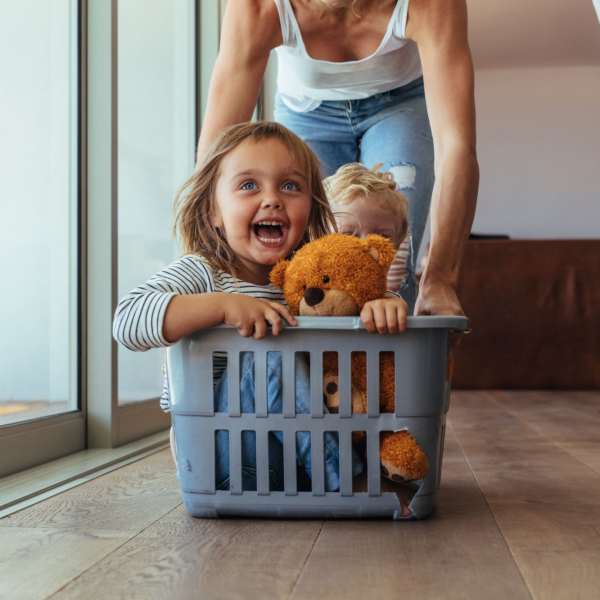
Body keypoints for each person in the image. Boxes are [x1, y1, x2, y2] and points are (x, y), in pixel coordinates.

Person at [112, 121, 407, 491]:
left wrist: (384, 303)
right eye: (249, 185)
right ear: (212, 213)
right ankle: (344, 478)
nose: (272, 199)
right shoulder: (203, 273)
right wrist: (223, 307)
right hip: (226, 459)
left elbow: (350, 302)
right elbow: (128, 320)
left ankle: (349, 466)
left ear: (311, 209)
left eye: (290, 186)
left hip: (297, 465)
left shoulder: (305, 280)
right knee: (268, 352)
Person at [196, 0, 478, 316]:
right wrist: (202, 270)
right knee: (301, 252)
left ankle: (387, 362)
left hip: (399, 105)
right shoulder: (257, 7)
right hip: (307, 110)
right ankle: (310, 364)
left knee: (390, 243)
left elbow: (456, 148)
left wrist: (439, 279)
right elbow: (215, 159)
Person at [324, 162, 411, 292]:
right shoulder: (305, 286)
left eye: (381, 237)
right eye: (348, 235)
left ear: (396, 248)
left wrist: (389, 303)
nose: (365, 248)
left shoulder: (389, 299)